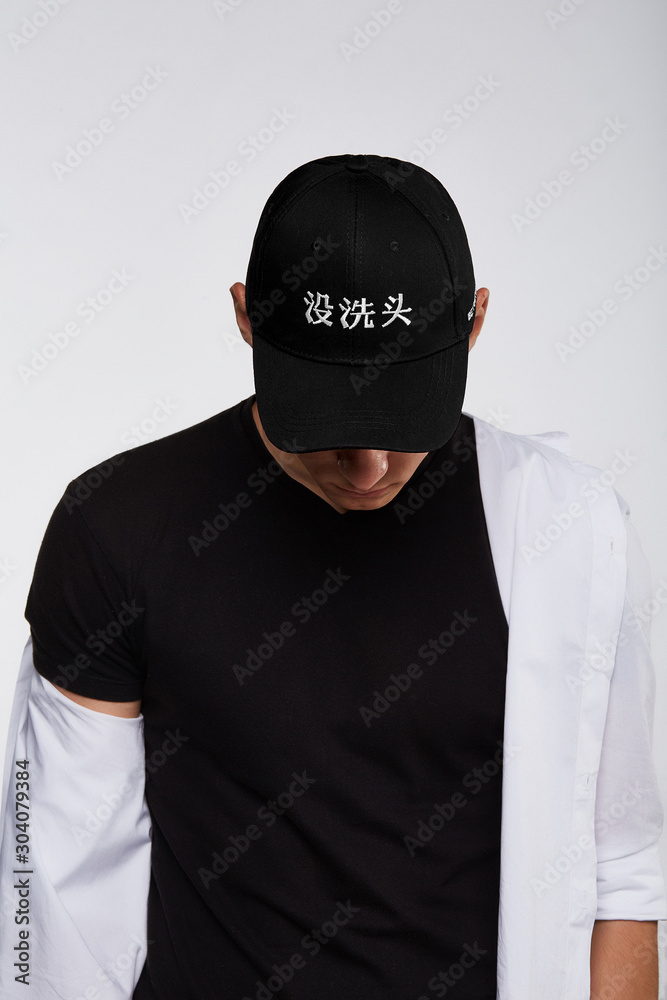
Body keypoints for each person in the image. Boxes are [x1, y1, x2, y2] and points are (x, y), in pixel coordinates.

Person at [0, 152, 665, 1000]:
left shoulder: (568, 528)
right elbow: (52, 885)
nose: (368, 468)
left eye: (401, 416)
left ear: (473, 325)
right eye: (328, 423)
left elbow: (621, 867)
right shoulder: (119, 526)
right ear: (246, 319)